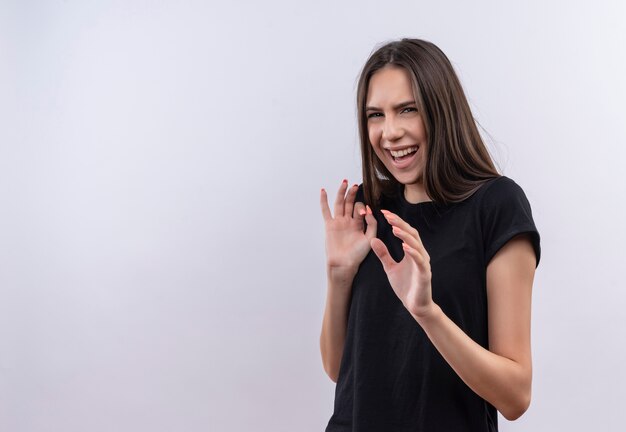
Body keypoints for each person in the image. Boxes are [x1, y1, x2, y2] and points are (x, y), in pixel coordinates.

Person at [319, 38, 541, 432]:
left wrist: (427, 313)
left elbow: (515, 396)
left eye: (408, 110)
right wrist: (339, 274)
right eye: (375, 115)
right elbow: (340, 370)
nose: (390, 132)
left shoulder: (496, 205)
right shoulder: (369, 208)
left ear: (441, 110)